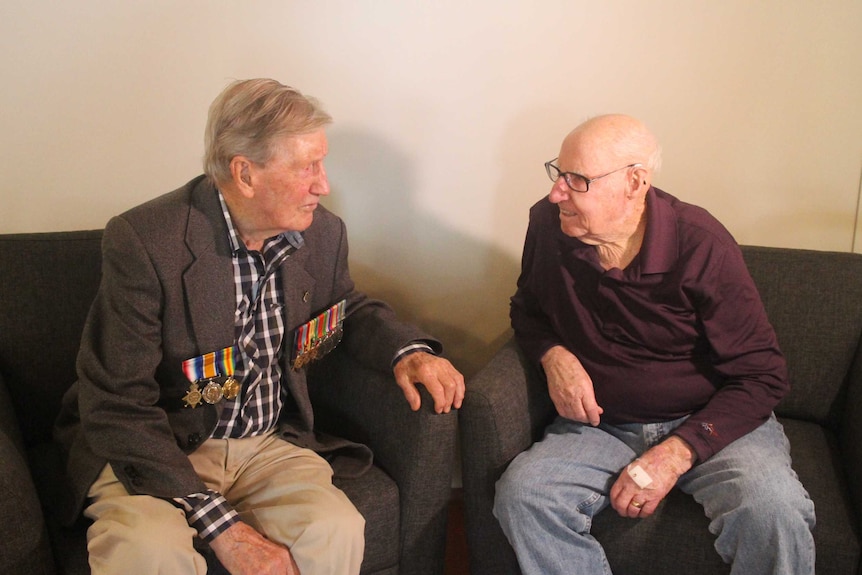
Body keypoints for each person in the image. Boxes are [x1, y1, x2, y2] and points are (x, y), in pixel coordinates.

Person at [54, 78, 465, 575]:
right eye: (307, 167)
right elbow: (115, 402)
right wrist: (223, 528)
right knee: (149, 552)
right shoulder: (145, 242)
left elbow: (346, 308)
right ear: (244, 173)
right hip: (157, 441)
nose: (324, 184)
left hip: (266, 444)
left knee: (335, 528)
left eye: (322, 163)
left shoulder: (322, 234)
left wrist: (408, 352)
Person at [493, 114, 815, 574]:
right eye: (557, 173)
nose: (555, 193)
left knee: (774, 510)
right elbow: (527, 309)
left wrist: (676, 453)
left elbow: (762, 375)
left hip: (710, 420)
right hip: (603, 424)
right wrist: (554, 355)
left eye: (576, 180)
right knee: (524, 495)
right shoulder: (548, 225)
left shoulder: (701, 244)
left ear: (635, 182)